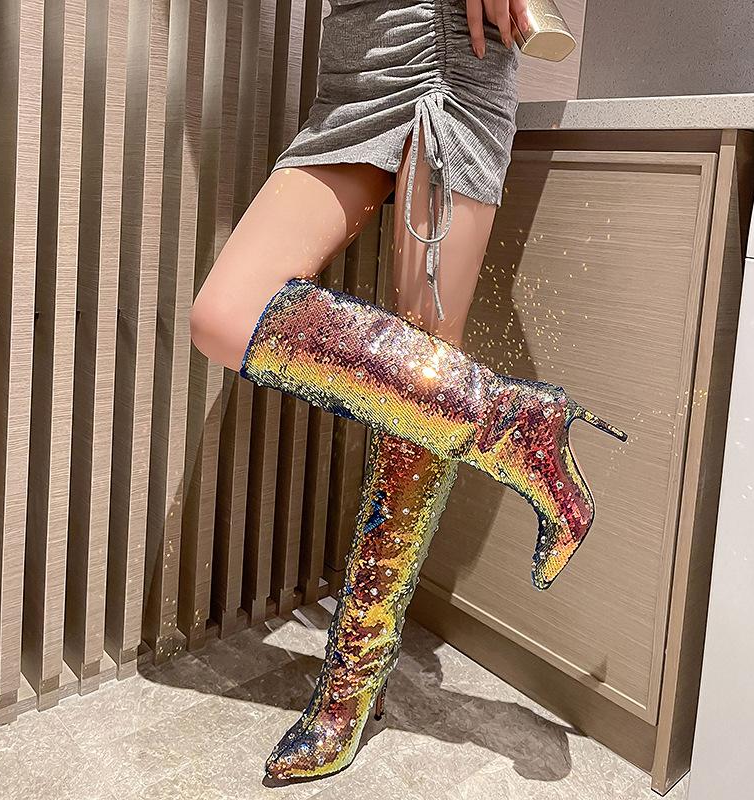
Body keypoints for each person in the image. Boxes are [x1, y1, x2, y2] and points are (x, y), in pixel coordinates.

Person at [190, 0, 626, 782]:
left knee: (417, 404)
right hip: (355, 67)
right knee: (227, 315)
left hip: (448, 59)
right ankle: (514, 424)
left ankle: (352, 686)